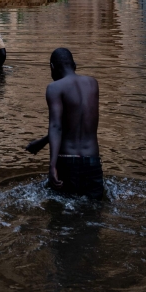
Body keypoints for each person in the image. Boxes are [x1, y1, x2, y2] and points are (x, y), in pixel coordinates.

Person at [26, 48, 104, 200]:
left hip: (67, 161)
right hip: (93, 162)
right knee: (94, 214)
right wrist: (41, 142)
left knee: (62, 214)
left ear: (52, 67)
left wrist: (52, 166)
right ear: (74, 65)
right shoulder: (93, 84)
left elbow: (57, 126)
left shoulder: (55, 88)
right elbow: (74, 123)